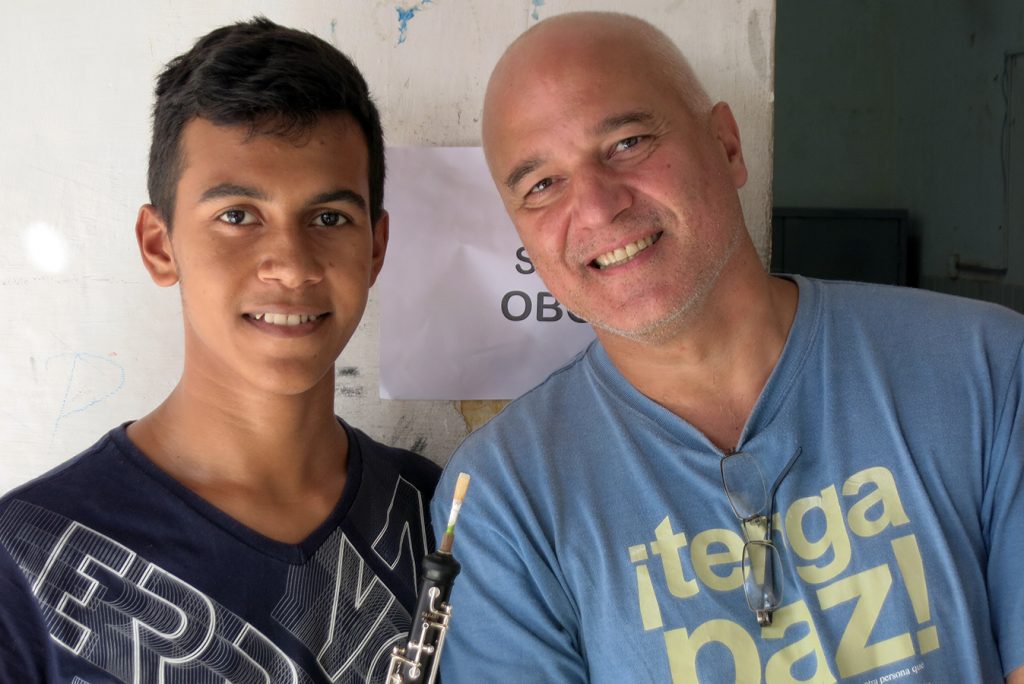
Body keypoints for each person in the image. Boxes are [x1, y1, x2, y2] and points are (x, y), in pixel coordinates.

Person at [432, 11, 1024, 683]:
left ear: (727, 145)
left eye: (626, 142)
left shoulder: (987, 369)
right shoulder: (503, 498)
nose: (597, 208)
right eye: (541, 185)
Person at [0, 18, 440, 682]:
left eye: (329, 218)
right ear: (159, 245)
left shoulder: (441, 516)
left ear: (375, 248)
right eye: (236, 215)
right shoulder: (24, 560)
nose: (291, 266)